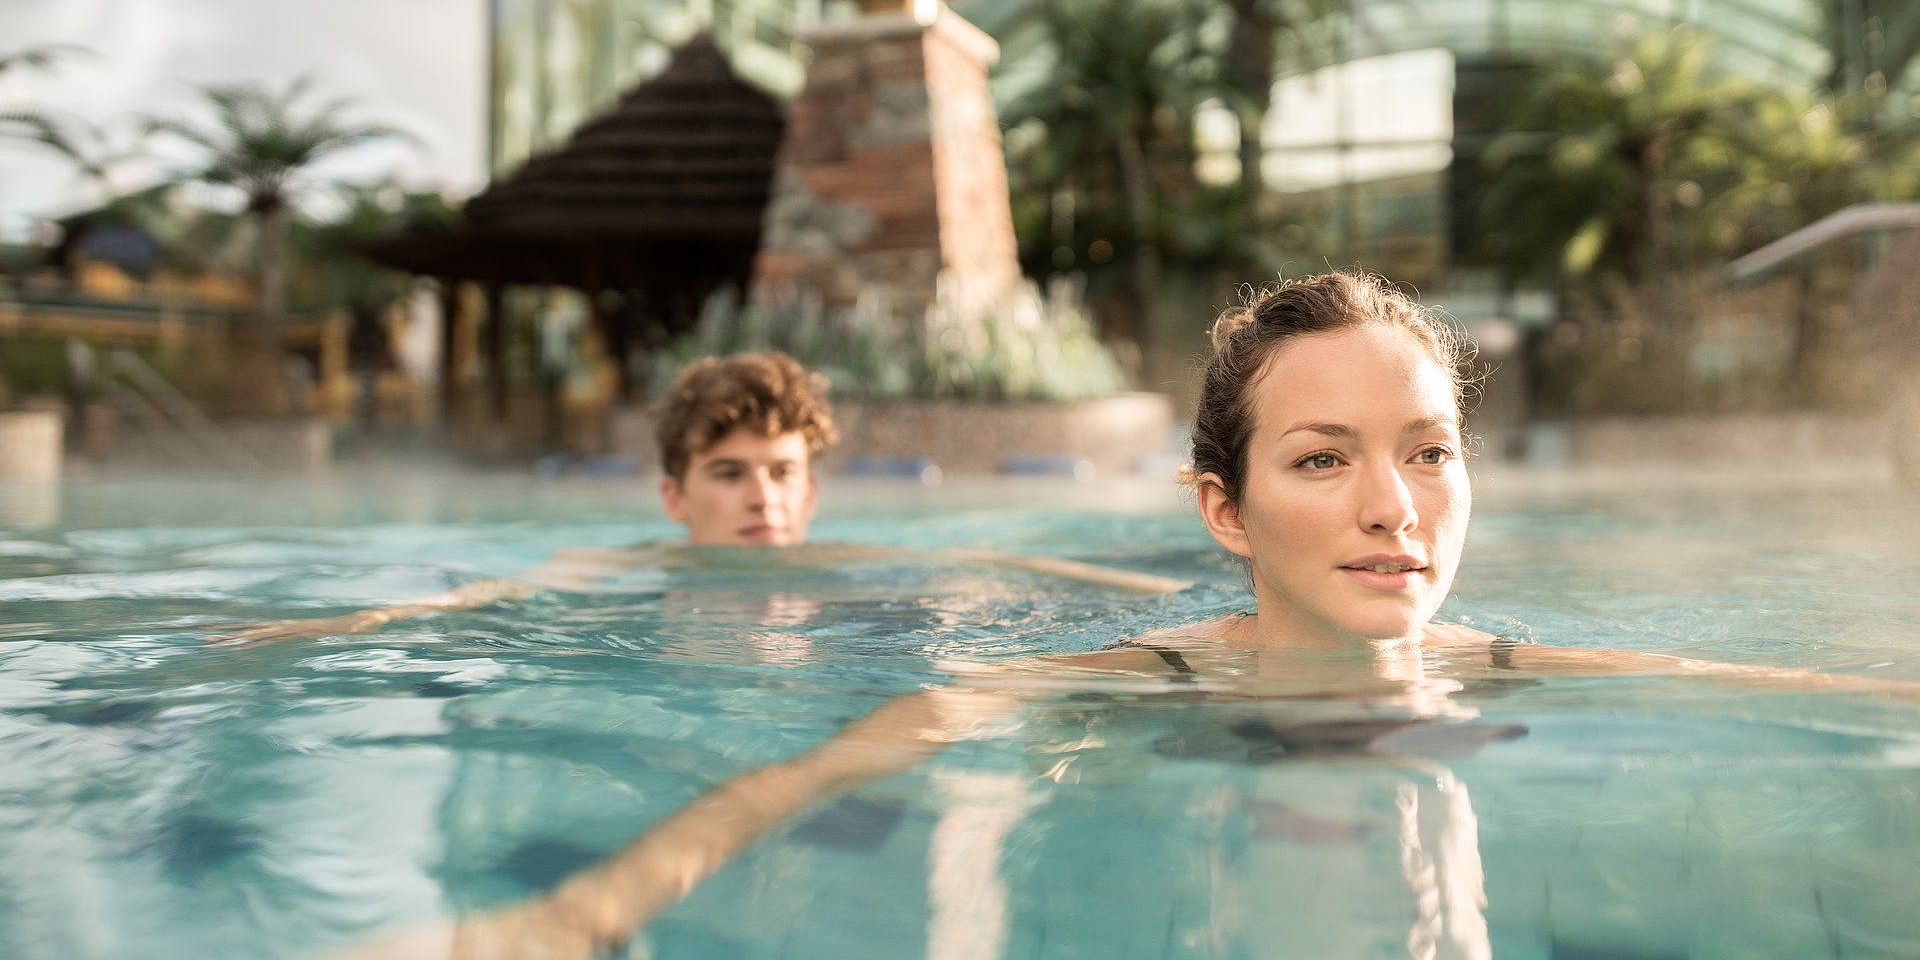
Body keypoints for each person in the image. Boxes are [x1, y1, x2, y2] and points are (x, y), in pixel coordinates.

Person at [336, 273, 1920, 960]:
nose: (1398, 506)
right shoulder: (1145, 679)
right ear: (1224, 509)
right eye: (1325, 459)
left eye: (1431, 451)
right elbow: (857, 750)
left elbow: (1772, 684)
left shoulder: (1495, 662)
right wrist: (579, 912)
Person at [206, 351, 1185, 649]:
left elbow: (1007, 569)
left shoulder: (850, 567)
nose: (762, 495)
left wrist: (1177, 605)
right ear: (675, 497)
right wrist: (333, 626)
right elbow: (481, 599)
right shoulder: (632, 567)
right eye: (729, 472)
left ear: (811, 489)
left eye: (781, 471)